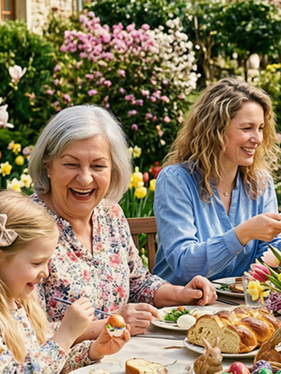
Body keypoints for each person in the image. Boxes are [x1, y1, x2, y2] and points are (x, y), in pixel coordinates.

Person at [30, 105, 216, 339]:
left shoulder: (111, 215)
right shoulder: (28, 226)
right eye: (71, 164)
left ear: (113, 169)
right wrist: (112, 324)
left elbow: (137, 283)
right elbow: (26, 331)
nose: (86, 178)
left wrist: (181, 293)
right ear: (48, 165)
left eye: (98, 166)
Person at [0, 190, 130, 374]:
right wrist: (65, 335)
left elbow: (46, 364)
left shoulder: (20, 303)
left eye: (47, 262)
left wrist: (93, 350)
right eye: (37, 263)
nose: (45, 273)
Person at [152, 78, 281, 285]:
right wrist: (243, 234)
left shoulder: (260, 183)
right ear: (216, 130)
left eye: (260, 128)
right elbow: (184, 265)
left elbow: (267, 259)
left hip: (239, 306)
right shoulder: (176, 181)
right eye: (247, 128)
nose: (258, 139)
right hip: (180, 308)